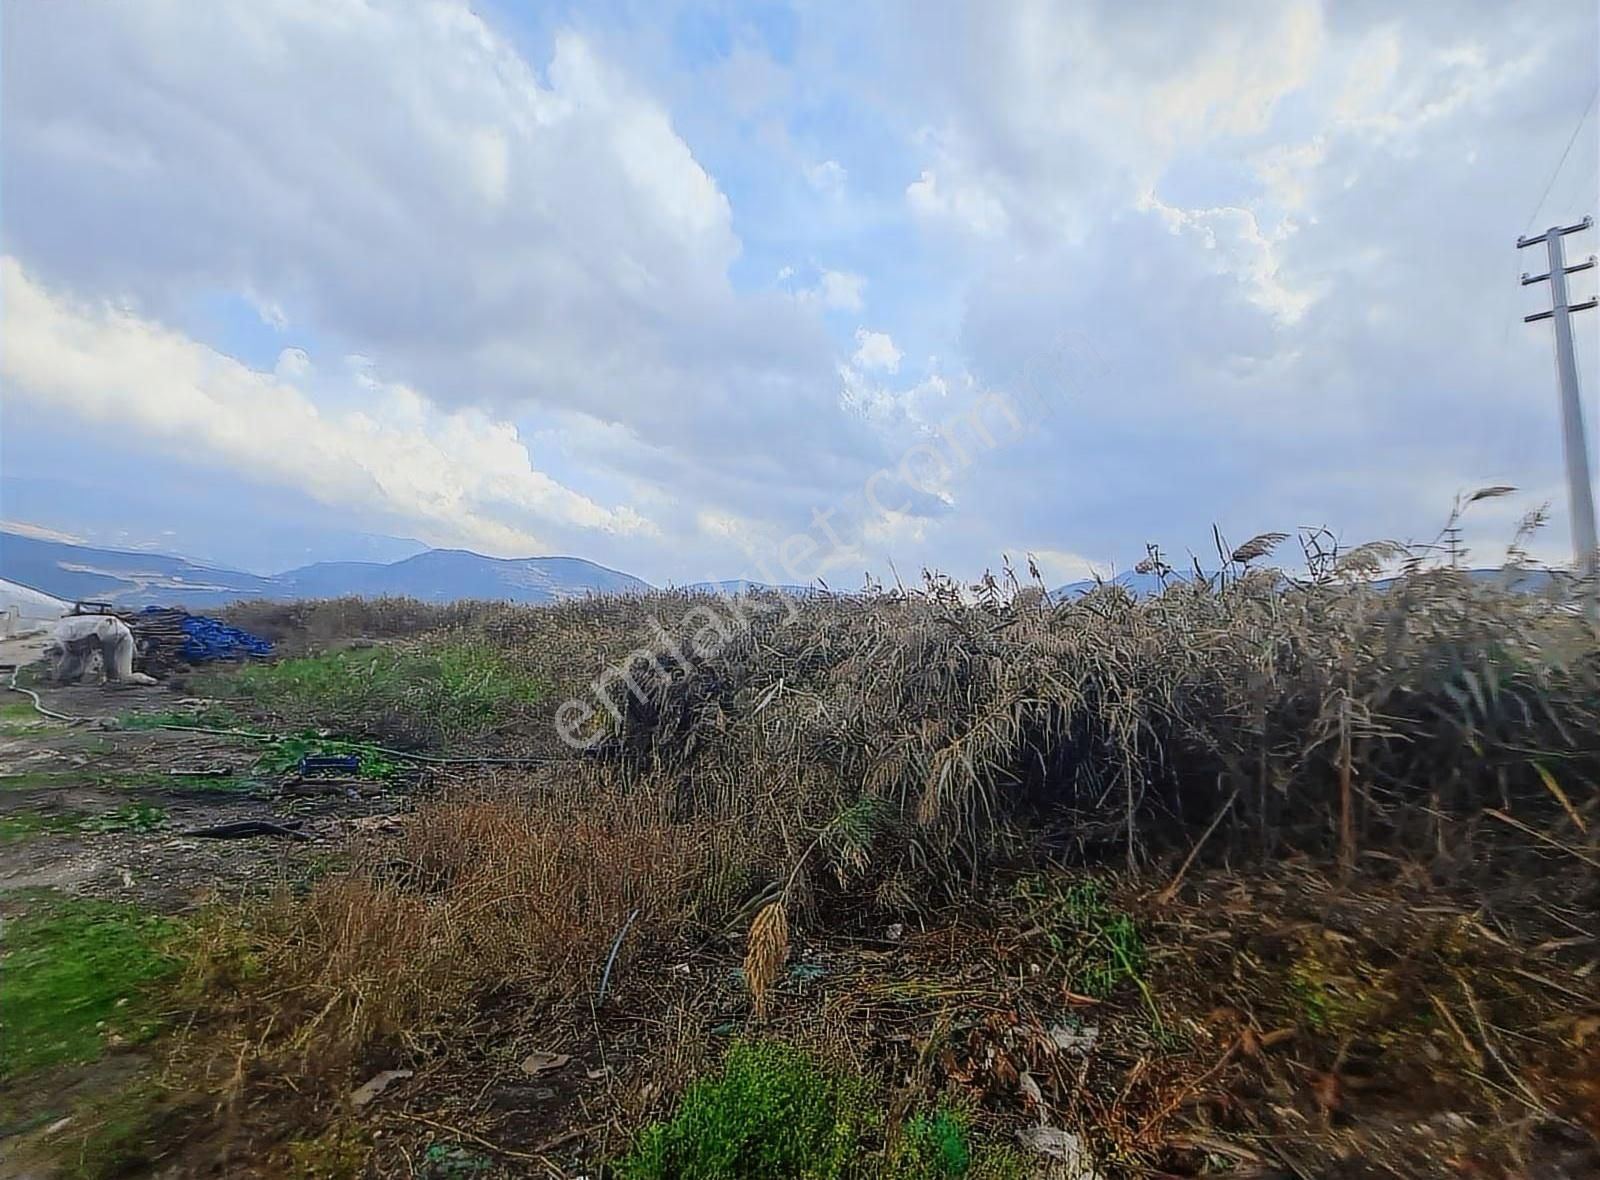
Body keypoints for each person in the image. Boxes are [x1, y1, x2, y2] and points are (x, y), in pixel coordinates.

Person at [45, 614, 157, 685]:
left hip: (116, 634)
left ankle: (145, 680)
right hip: (113, 633)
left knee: (121, 675)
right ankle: (117, 681)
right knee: (119, 676)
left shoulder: (66, 632)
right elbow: (76, 653)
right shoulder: (69, 631)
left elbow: (88, 649)